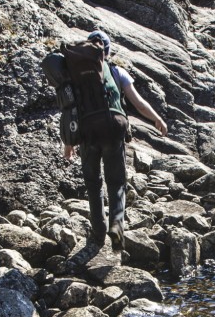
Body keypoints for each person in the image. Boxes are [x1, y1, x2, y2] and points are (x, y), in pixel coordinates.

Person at [63, 29, 168, 248]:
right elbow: (138, 103)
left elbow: (68, 108)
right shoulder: (116, 71)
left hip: (86, 131)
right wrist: (157, 118)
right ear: (106, 51)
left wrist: (68, 143)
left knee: (93, 183)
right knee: (117, 181)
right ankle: (117, 227)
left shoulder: (74, 73)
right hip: (113, 127)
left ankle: (98, 233)